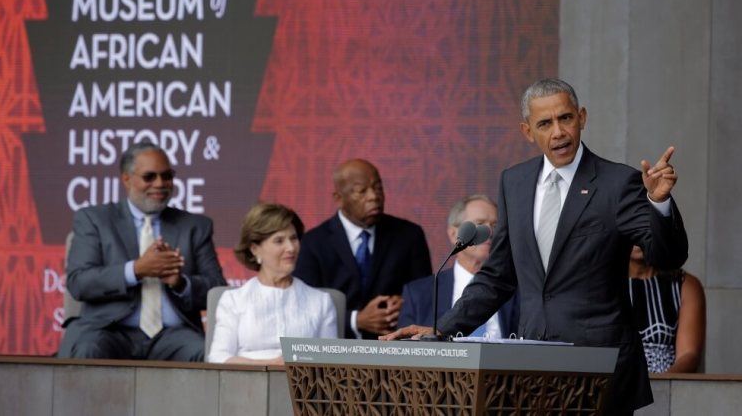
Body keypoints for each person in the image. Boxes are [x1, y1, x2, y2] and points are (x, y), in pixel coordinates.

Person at [384, 78, 688, 415]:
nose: (558, 132)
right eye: (545, 123)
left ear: (582, 117)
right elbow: (498, 276)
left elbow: (668, 256)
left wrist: (658, 204)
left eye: (566, 118)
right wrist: (443, 328)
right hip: (533, 370)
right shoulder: (514, 182)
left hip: (601, 369)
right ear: (528, 131)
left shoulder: (617, 182)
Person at [58, 142, 227, 361]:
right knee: (89, 348)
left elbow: (218, 291)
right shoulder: (94, 220)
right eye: (149, 177)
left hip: (174, 336)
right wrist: (136, 270)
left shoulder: (194, 226)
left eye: (167, 176)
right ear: (126, 179)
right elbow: (79, 283)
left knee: (207, 355)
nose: (160, 184)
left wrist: (179, 282)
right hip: (109, 330)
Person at [294, 158, 432, 339]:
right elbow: (306, 311)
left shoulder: (409, 235)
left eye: (378, 187)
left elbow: (427, 298)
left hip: (395, 348)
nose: (374, 196)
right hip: (338, 351)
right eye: (362, 191)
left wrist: (407, 305)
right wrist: (355, 320)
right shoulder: (313, 243)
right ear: (339, 199)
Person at [207, 203, 336, 364]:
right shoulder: (233, 300)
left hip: (301, 386)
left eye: (293, 238)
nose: (290, 248)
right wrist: (269, 366)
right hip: (244, 384)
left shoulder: (321, 302)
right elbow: (218, 357)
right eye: (279, 241)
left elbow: (331, 363)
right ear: (255, 249)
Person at [398, 195, 519, 339]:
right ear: (454, 234)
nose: (490, 232)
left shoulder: (519, 288)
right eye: (480, 224)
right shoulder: (418, 294)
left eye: (495, 226)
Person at [628, 245, 705, 373]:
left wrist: (659, 387)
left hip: (666, 384)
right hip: (615, 386)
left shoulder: (685, 285)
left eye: (646, 224)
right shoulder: (602, 284)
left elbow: (688, 355)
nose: (637, 237)